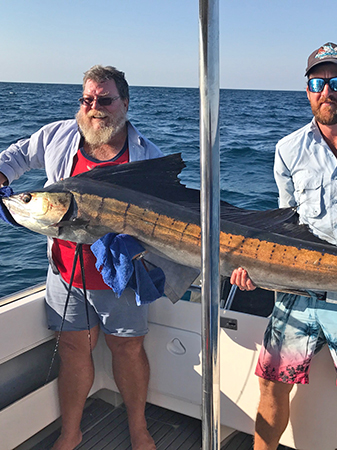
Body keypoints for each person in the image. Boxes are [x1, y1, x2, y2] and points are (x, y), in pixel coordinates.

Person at [0, 65, 162, 450]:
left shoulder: (147, 156)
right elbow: (18, 155)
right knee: (73, 350)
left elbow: (162, 225)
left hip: (121, 276)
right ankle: (71, 432)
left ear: (124, 103)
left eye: (105, 100)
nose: (95, 108)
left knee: (128, 349)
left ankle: (138, 429)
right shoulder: (58, 135)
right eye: (87, 100)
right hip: (66, 274)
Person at [231, 42, 337, 450]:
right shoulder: (288, 149)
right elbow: (284, 227)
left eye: (335, 82)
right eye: (317, 82)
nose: (327, 90)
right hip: (295, 292)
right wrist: (255, 269)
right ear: (308, 90)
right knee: (271, 387)